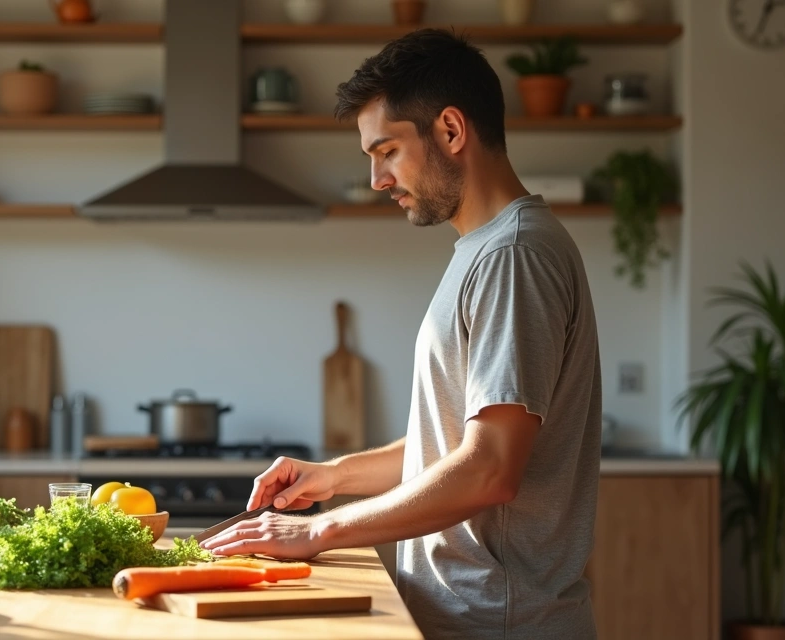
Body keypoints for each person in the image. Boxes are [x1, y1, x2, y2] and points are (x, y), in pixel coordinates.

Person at [198, 28, 603, 639]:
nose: (377, 179)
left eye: (386, 150)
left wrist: (317, 529)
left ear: (450, 130)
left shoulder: (514, 256)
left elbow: (491, 468)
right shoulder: (484, 250)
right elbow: (453, 444)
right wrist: (333, 476)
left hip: (499, 623)